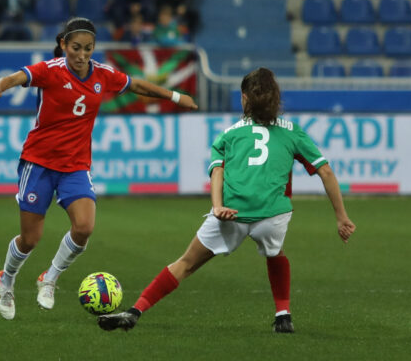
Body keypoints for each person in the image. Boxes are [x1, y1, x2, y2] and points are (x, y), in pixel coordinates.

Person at [97, 67, 356, 333]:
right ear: (275, 98)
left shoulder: (229, 134)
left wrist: (218, 206)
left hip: (231, 213)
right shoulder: (292, 132)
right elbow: (324, 170)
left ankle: (135, 310)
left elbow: (217, 171)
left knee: (185, 264)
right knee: (275, 253)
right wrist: (341, 217)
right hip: (272, 216)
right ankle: (283, 315)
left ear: (244, 98)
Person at [0, 17, 198, 320]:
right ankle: (6, 279)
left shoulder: (102, 74)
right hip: (39, 162)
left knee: (84, 227)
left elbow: (135, 84)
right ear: (63, 45)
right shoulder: (51, 70)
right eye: (75, 48)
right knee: (30, 239)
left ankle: (50, 278)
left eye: (88, 48)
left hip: (75, 166)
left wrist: (175, 96)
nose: (82, 55)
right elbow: (19, 77)